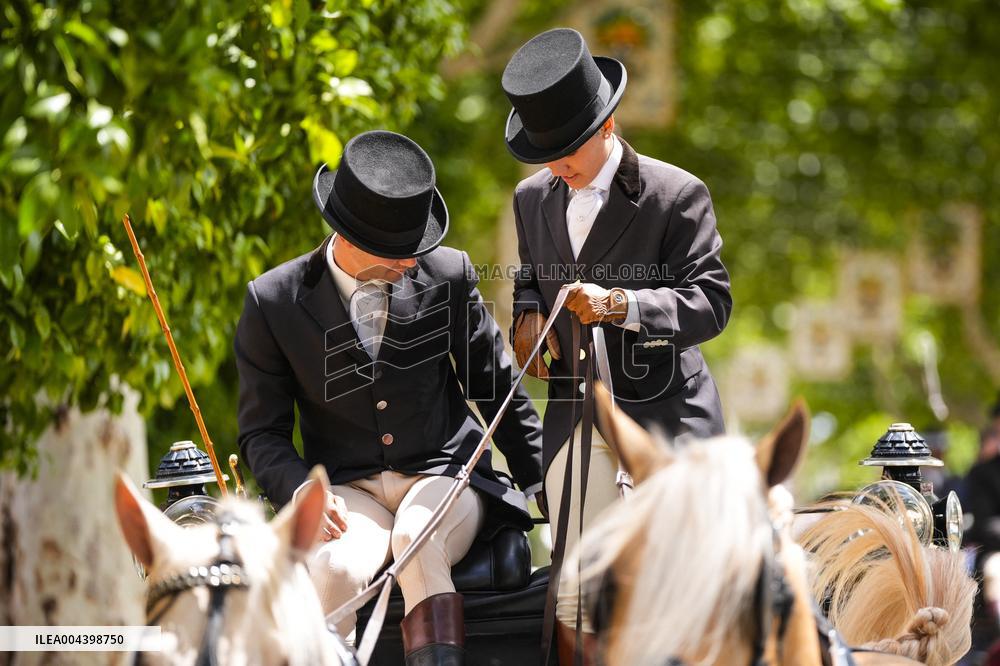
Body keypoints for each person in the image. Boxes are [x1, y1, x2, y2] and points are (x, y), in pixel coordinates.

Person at [234, 130, 544, 666]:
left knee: (419, 541)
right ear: (351, 238)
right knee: (331, 569)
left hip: (444, 478)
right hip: (348, 489)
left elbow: (496, 389)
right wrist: (301, 490)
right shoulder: (272, 301)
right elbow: (262, 432)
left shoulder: (448, 275)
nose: (413, 262)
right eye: (401, 252)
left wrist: (546, 484)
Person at [501, 28, 732, 663]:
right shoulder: (530, 200)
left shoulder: (677, 195)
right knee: (579, 593)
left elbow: (713, 304)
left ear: (607, 126)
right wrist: (526, 322)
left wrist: (621, 305)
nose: (554, 167)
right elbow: (529, 279)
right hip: (576, 417)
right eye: (543, 154)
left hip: (666, 417)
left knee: (668, 584)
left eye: (566, 149)